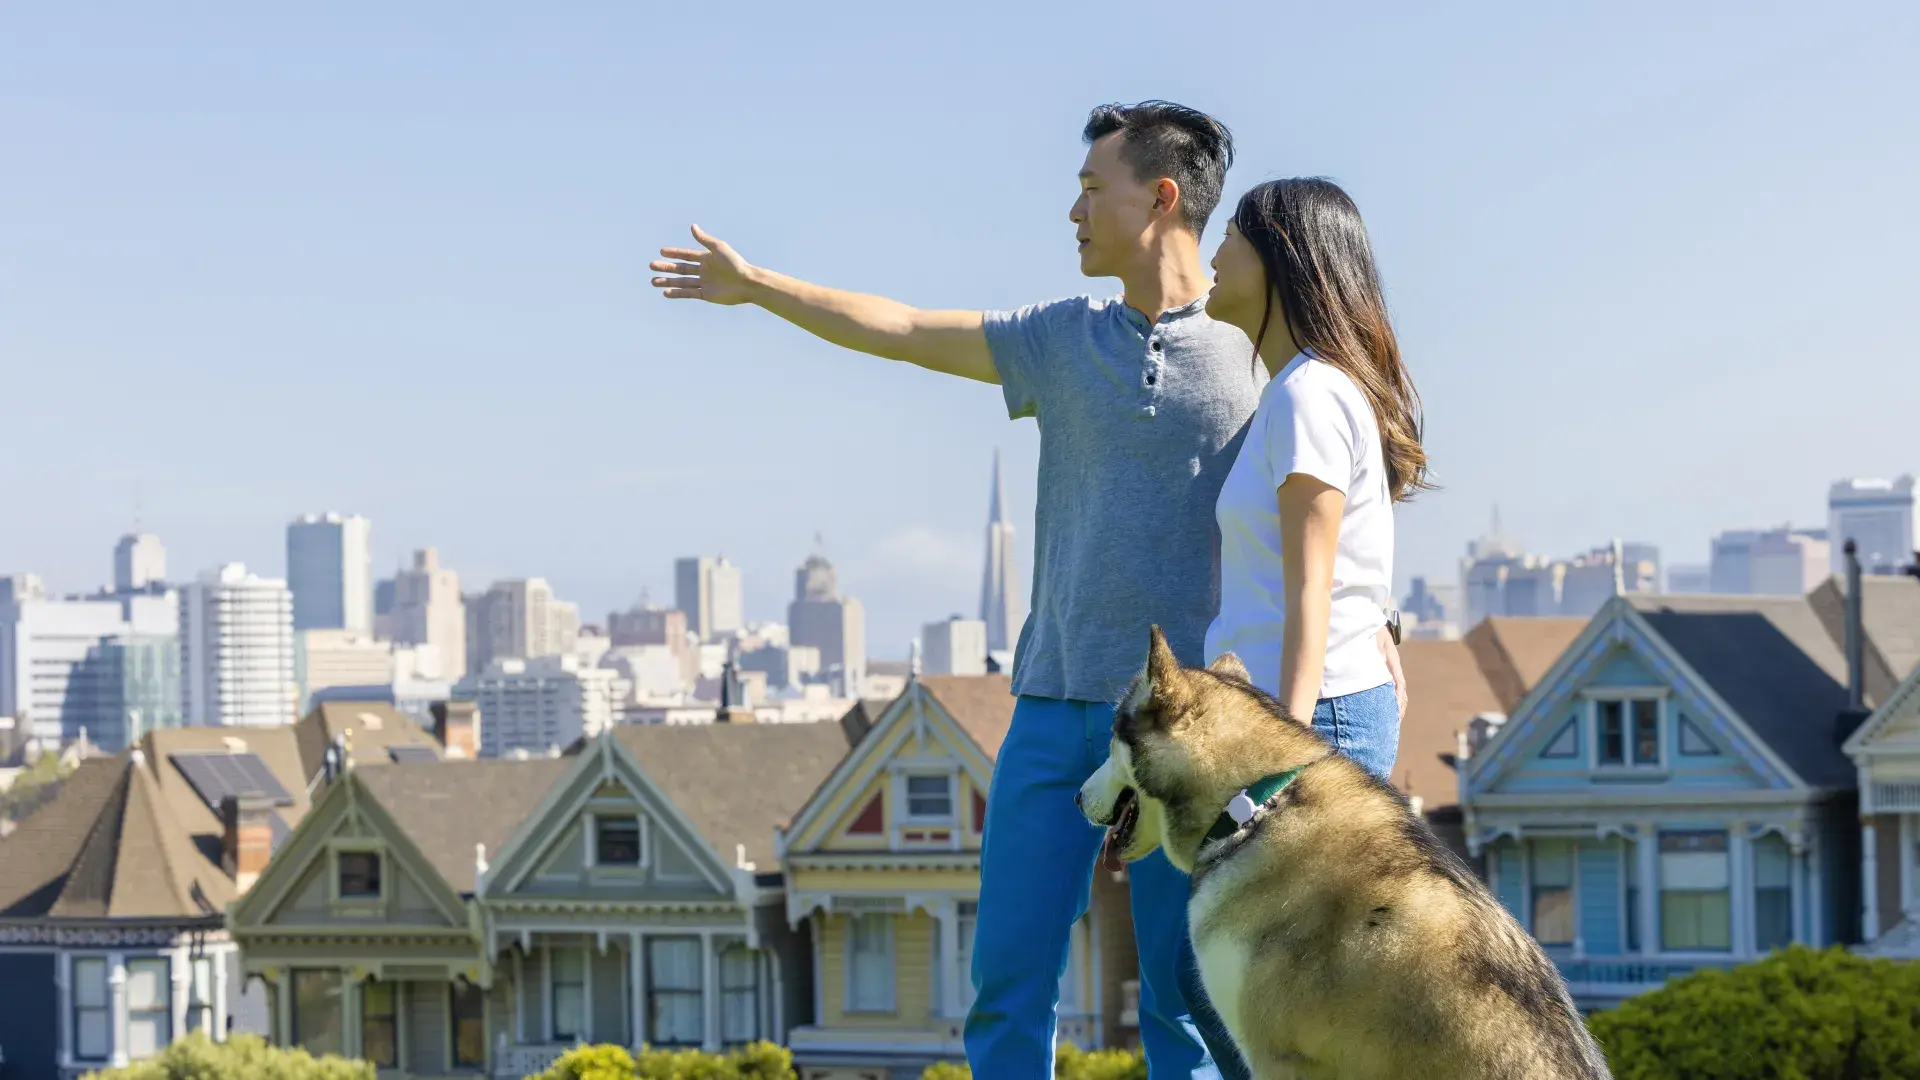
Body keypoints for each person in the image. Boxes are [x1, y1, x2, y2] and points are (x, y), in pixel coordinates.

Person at [650, 101, 1261, 1078]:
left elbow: (1334, 491)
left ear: (1161, 197)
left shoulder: (1255, 348)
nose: (1071, 211)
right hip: (1055, 709)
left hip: (1185, 727)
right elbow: (899, 328)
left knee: (1184, 1011)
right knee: (1008, 993)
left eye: (1088, 189)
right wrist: (758, 285)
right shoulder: (1060, 341)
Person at [1183, 176, 1430, 1078]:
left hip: (1310, 720)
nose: (1215, 255)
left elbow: (1311, 592)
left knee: (1242, 985)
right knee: (1262, 991)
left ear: (1283, 259)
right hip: (1318, 712)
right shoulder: (1299, 391)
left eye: (1234, 240)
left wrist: (1277, 763)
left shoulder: (1307, 397)